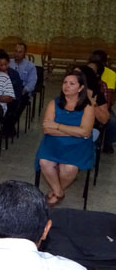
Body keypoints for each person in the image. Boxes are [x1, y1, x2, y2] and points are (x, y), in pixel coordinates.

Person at [35, 70, 95, 207]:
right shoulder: (54, 103)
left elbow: (85, 131)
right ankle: (59, 192)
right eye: (65, 82)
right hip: (53, 143)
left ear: (80, 88)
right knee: (44, 162)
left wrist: (57, 126)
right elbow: (46, 129)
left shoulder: (88, 107)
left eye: (72, 83)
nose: (66, 86)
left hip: (77, 146)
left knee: (69, 168)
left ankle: (55, 191)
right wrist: (75, 131)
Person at [0, 49, 23, 136]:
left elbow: (17, 92)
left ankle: (7, 128)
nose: (3, 67)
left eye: (5, 64)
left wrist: (8, 98)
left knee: (14, 106)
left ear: (8, 63)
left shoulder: (14, 74)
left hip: (11, 100)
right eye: (1, 64)